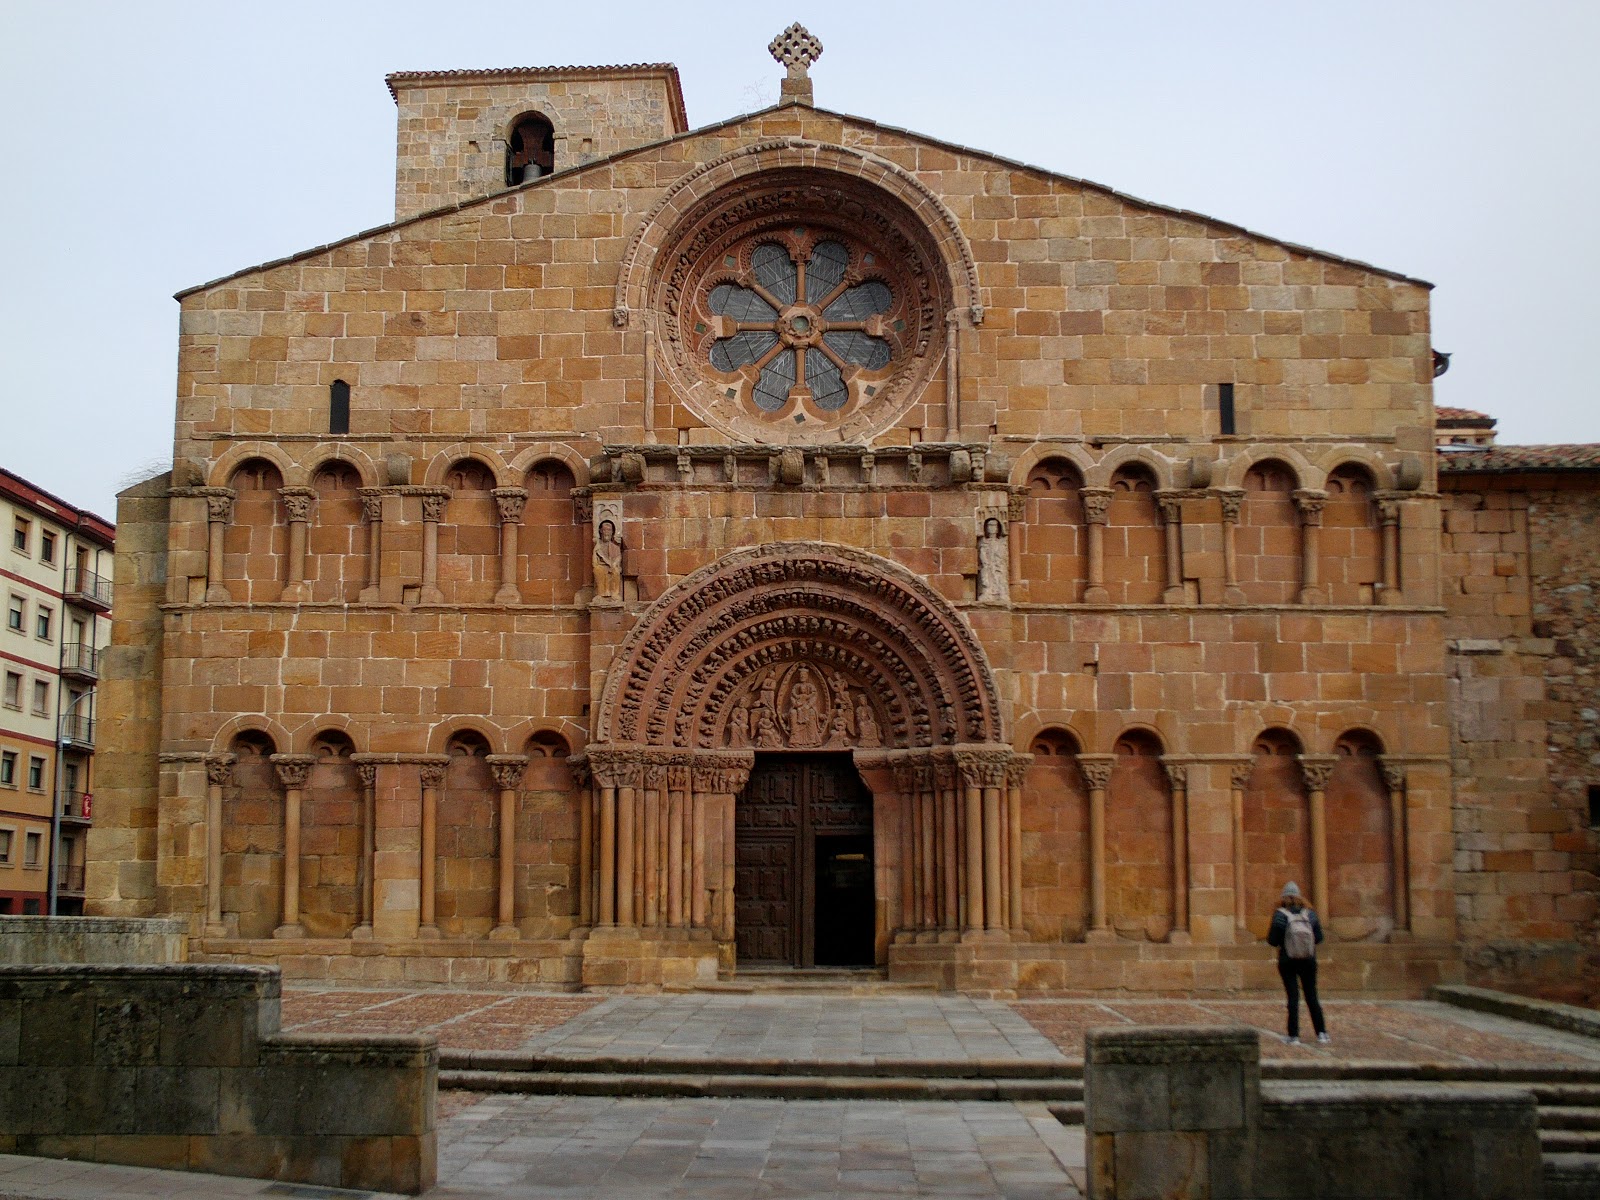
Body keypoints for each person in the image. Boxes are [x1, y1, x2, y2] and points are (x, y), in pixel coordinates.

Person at [1266, 881, 1329, 1046]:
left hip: (1288, 961)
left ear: (1283, 897)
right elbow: (1320, 938)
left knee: (1293, 997)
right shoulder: (1311, 914)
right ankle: (1322, 1033)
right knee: (1312, 996)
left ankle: (1294, 1036)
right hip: (1308, 960)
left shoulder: (1280, 915)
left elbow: (1272, 941)